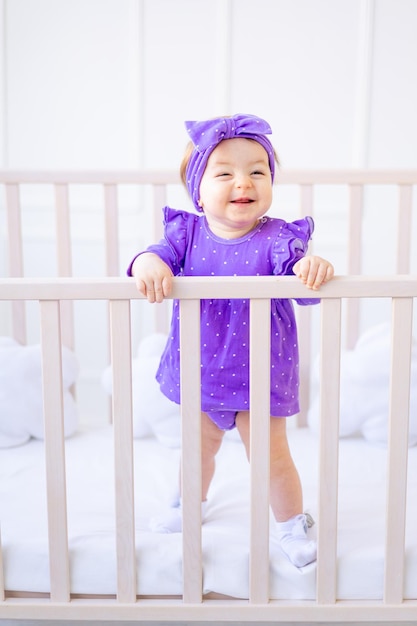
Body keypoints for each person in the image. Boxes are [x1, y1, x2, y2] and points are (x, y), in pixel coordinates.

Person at [128, 113, 334, 568]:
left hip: (260, 372)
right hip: (200, 368)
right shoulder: (186, 235)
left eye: (258, 170)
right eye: (224, 172)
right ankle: (189, 504)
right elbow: (156, 256)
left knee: (270, 455)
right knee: (197, 448)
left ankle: (289, 522)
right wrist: (147, 262)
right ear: (197, 191)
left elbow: (297, 277)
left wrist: (308, 269)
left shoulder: (280, 239)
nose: (244, 181)